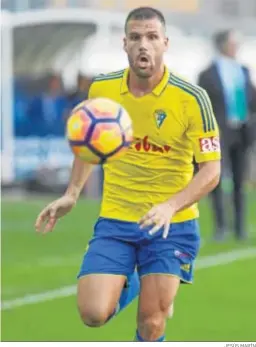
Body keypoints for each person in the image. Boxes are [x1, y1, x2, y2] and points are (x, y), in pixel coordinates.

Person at [35, 7, 221, 342]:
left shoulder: (193, 98)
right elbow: (88, 148)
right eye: (135, 37)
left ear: (165, 43)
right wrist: (72, 193)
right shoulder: (101, 90)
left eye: (151, 37)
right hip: (116, 221)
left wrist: (170, 206)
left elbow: (212, 170)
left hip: (171, 226)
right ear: (124, 44)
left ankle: (156, 284)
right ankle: (140, 279)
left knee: (150, 324)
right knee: (92, 314)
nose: (143, 45)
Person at [198, 29, 256, 241]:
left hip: (242, 131)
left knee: (240, 182)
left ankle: (240, 227)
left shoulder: (243, 70)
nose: (235, 47)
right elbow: (203, 105)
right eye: (232, 43)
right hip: (219, 132)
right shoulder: (208, 74)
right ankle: (221, 227)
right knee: (216, 180)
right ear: (222, 45)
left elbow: (252, 99)